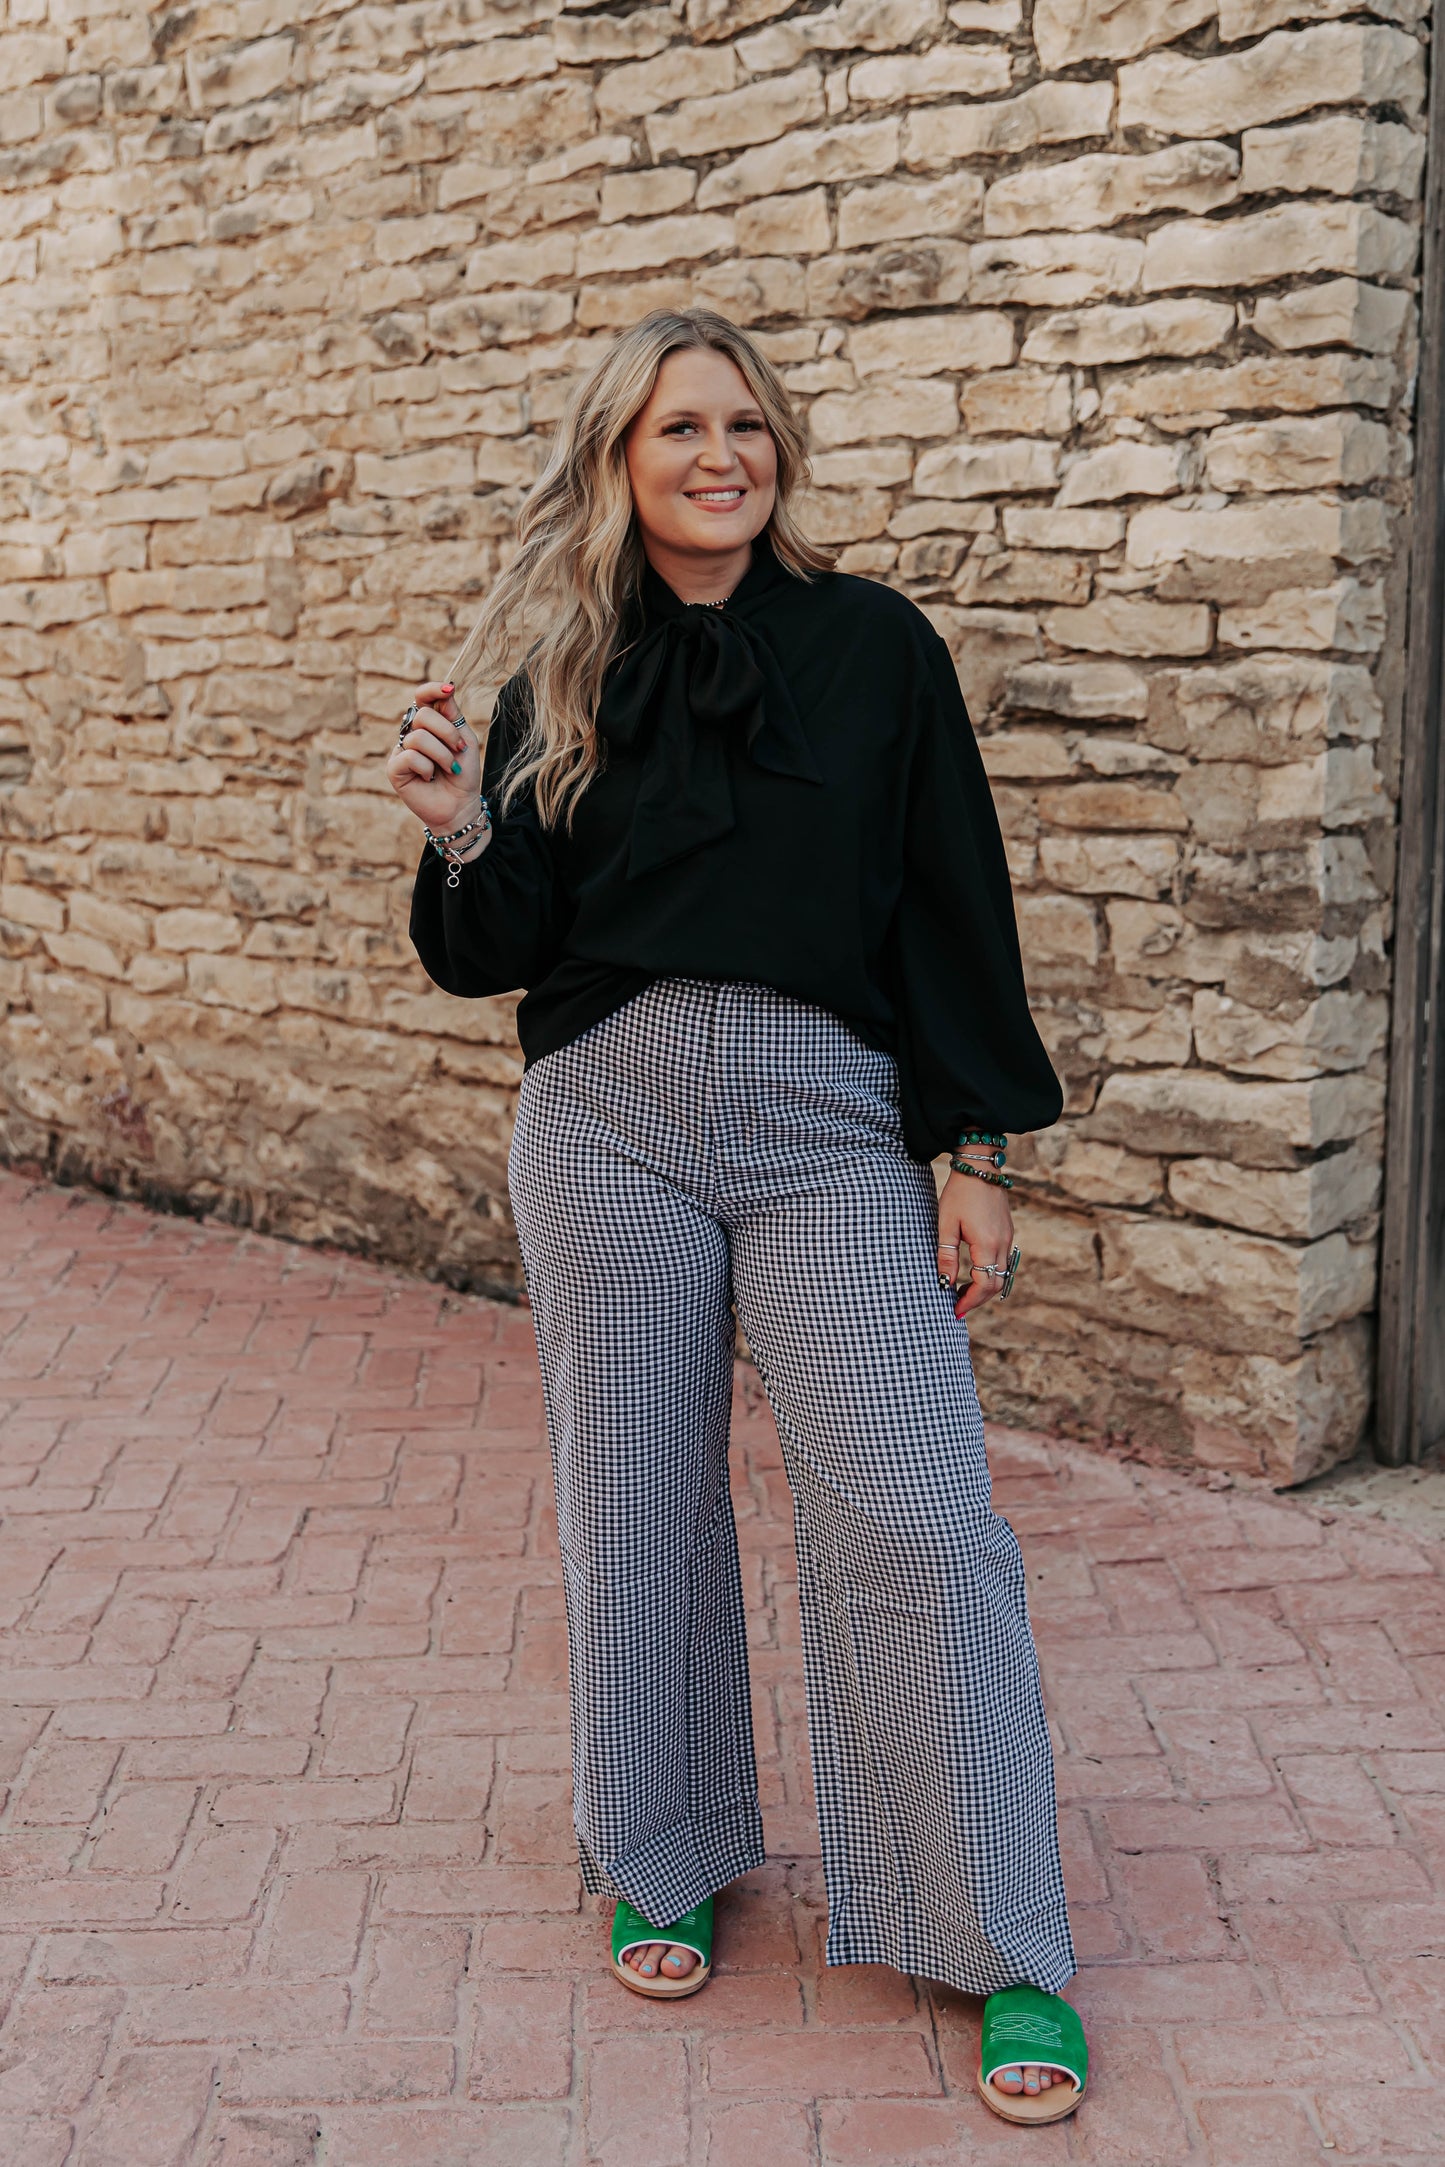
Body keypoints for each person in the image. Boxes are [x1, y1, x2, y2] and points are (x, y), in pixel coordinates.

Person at [386, 308, 1088, 2125]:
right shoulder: (556, 662)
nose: (720, 455)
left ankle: (1002, 1940)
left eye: (746, 427)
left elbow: (950, 907)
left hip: (825, 1125)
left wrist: (973, 1156)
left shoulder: (872, 650)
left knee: (922, 1522)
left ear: (779, 455)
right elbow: (501, 953)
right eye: (679, 429)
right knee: (638, 1507)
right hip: (602, 1120)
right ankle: (665, 1841)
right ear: (618, 457)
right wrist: (463, 826)